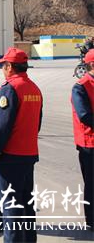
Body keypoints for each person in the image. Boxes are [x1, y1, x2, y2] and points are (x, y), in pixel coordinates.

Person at [0, 47, 43, 243]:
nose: (3, 69)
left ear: (10, 66)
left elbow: (1, 126)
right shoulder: (34, 88)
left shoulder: (10, 89)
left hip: (11, 156)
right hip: (29, 154)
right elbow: (37, 124)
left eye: (4, 65)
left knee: (10, 205)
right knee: (26, 203)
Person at [70, 49, 94, 231]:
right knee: (92, 184)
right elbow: (85, 115)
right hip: (89, 144)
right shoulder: (81, 86)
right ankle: (92, 219)